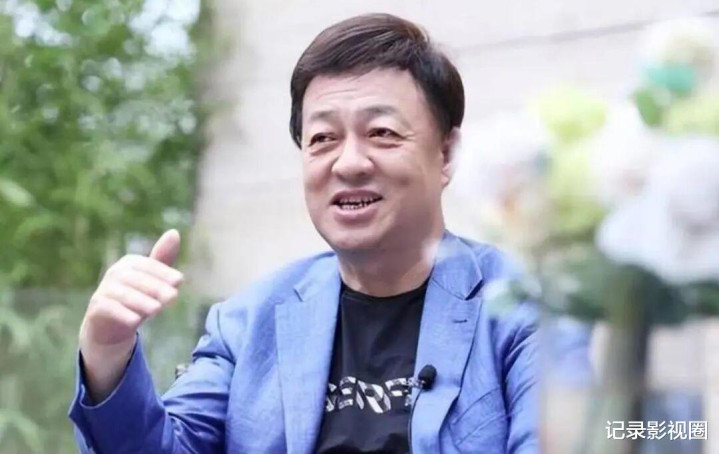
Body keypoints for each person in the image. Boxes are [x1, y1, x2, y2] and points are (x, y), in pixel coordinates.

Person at [69, 13, 541, 453]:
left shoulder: (526, 309)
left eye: (382, 132)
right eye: (323, 139)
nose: (349, 163)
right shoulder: (247, 324)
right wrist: (107, 353)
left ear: (447, 154)